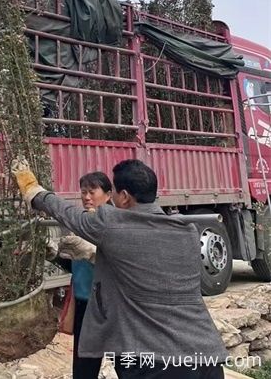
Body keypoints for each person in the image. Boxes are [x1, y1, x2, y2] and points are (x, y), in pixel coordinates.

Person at [13, 158, 226, 379]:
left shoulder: (110, 224)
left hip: (155, 362)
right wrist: (95, 254)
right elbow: (149, 269)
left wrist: (34, 191)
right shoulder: (187, 232)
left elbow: (68, 213)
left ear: (123, 197)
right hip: (207, 357)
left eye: (113, 191)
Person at [61, 171, 113, 379]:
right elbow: (76, 264)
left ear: (108, 195)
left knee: (126, 361)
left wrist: (93, 253)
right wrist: (55, 255)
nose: (86, 197)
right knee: (84, 367)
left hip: (110, 305)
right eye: (83, 192)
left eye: (92, 192)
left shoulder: (114, 225)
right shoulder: (81, 223)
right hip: (84, 302)